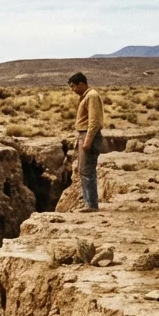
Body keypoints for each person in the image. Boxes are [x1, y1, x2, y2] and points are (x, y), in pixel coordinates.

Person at [68, 72, 103, 212]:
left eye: (73, 86)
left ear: (81, 84)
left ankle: (91, 205)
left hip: (89, 136)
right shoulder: (87, 96)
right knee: (84, 170)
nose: (72, 90)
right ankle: (89, 203)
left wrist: (87, 141)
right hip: (84, 135)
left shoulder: (92, 96)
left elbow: (94, 121)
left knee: (87, 170)